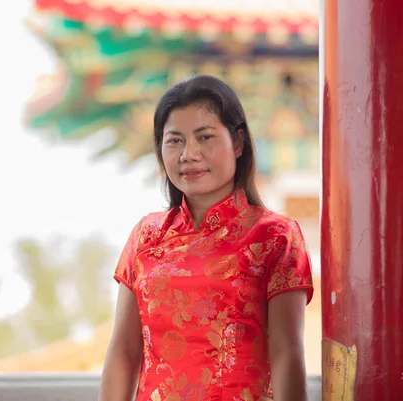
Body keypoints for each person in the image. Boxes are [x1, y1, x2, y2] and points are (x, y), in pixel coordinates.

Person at [98, 75, 313, 401]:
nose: (189, 154)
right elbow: (125, 352)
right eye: (174, 141)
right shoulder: (146, 235)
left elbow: (287, 352)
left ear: (238, 143)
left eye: (205, 137)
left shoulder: (275, 236)